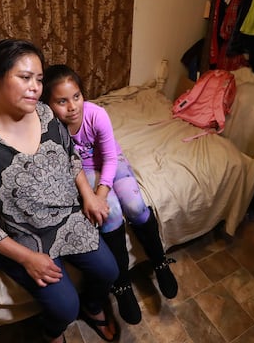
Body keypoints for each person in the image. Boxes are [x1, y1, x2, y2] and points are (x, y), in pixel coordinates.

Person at [0, 40, 121, 343]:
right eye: (25, 77)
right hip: (21, 236)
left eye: (39, 79)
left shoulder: (47, 115)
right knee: (65, 307)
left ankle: (94, 307)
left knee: (109, 270)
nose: (36, 87)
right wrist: (26, 258)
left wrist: (90, 195)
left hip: (67, 217)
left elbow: (70, 159)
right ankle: (52, 333)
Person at [41, 64, 178, 325]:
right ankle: (122, 283)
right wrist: (98, 199)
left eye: (77, 96)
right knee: (111, 214)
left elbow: (110, 159)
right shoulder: (52, 129)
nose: (72, 106)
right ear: (48, 103)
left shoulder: (97, 114)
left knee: (135, 206)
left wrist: (101, 192)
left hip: (112, 161)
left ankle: (159, 261)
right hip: (85, 170)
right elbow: (70, 167)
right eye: (61, 101)